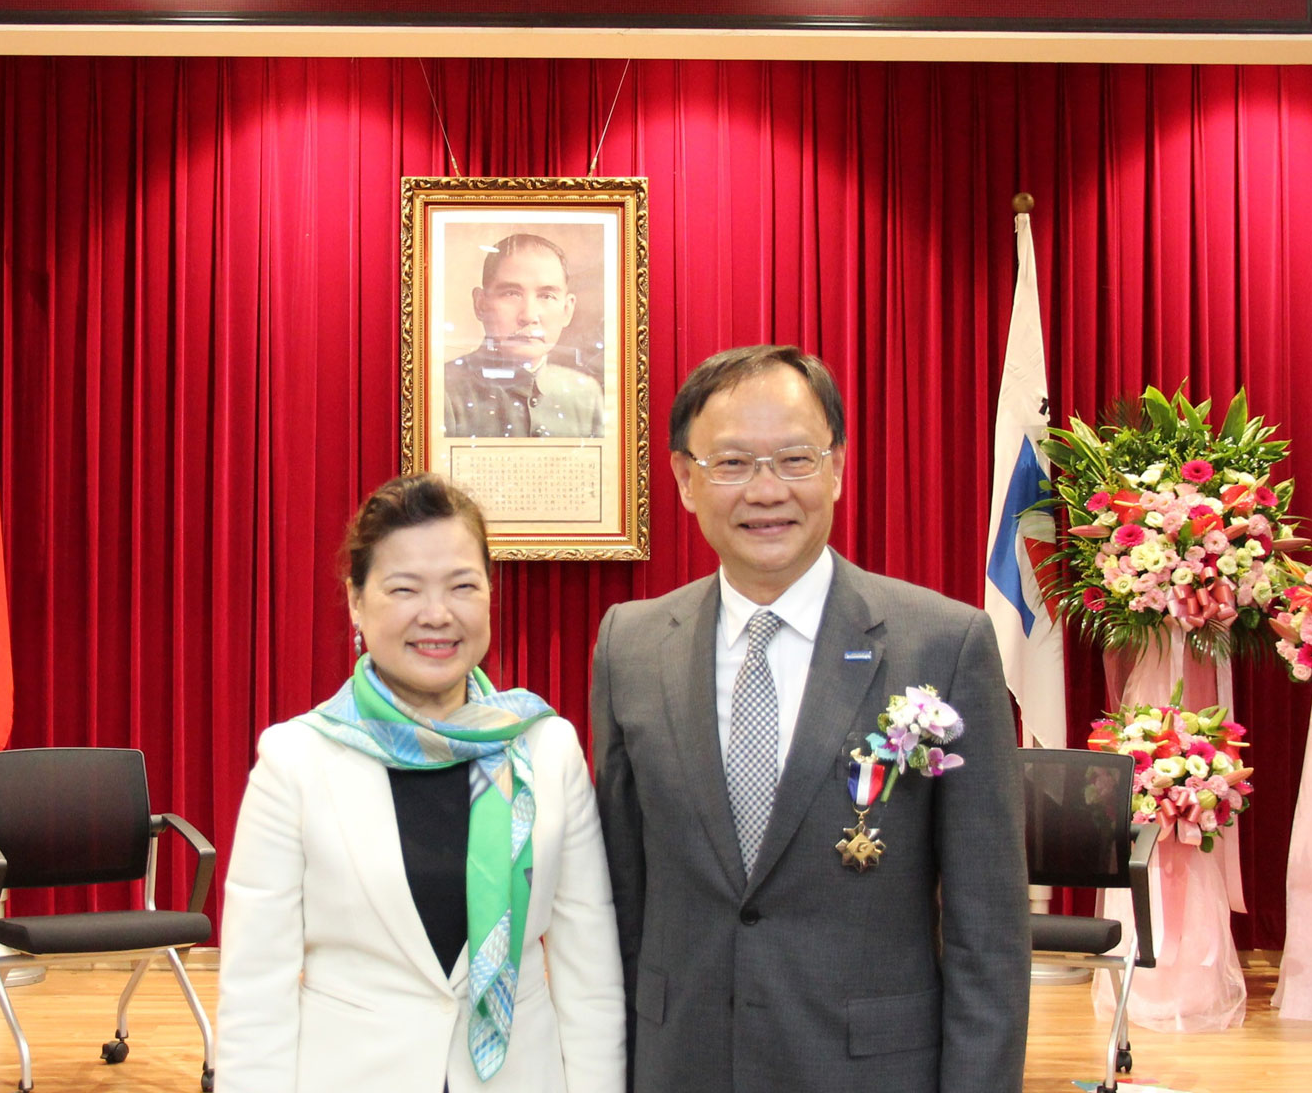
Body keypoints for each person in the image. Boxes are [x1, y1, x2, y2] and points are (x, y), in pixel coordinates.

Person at [588, 345, 1029, 1093]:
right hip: (680, 1062)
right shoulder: (629, 644)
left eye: (794, 458)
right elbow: (621, 897)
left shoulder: (941, 643)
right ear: (685, 480)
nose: (766, 491)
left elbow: (986, 926)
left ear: (836, 469)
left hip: (867, 1069)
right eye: (730, 464)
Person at [217, 473, 625, 1093]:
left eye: (463, 585)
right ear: (356, 600)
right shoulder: (295, 760)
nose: (437, 615)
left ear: (491, 594)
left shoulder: (546, 747)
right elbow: (256, 988)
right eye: (404, 589)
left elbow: (587, 968)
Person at [443, 233, 604, 438]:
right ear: (480, 304)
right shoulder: (443, 390)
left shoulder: (585, 395)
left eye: (546, 296)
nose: (528, 316)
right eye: (511, 293)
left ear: (567, 310)